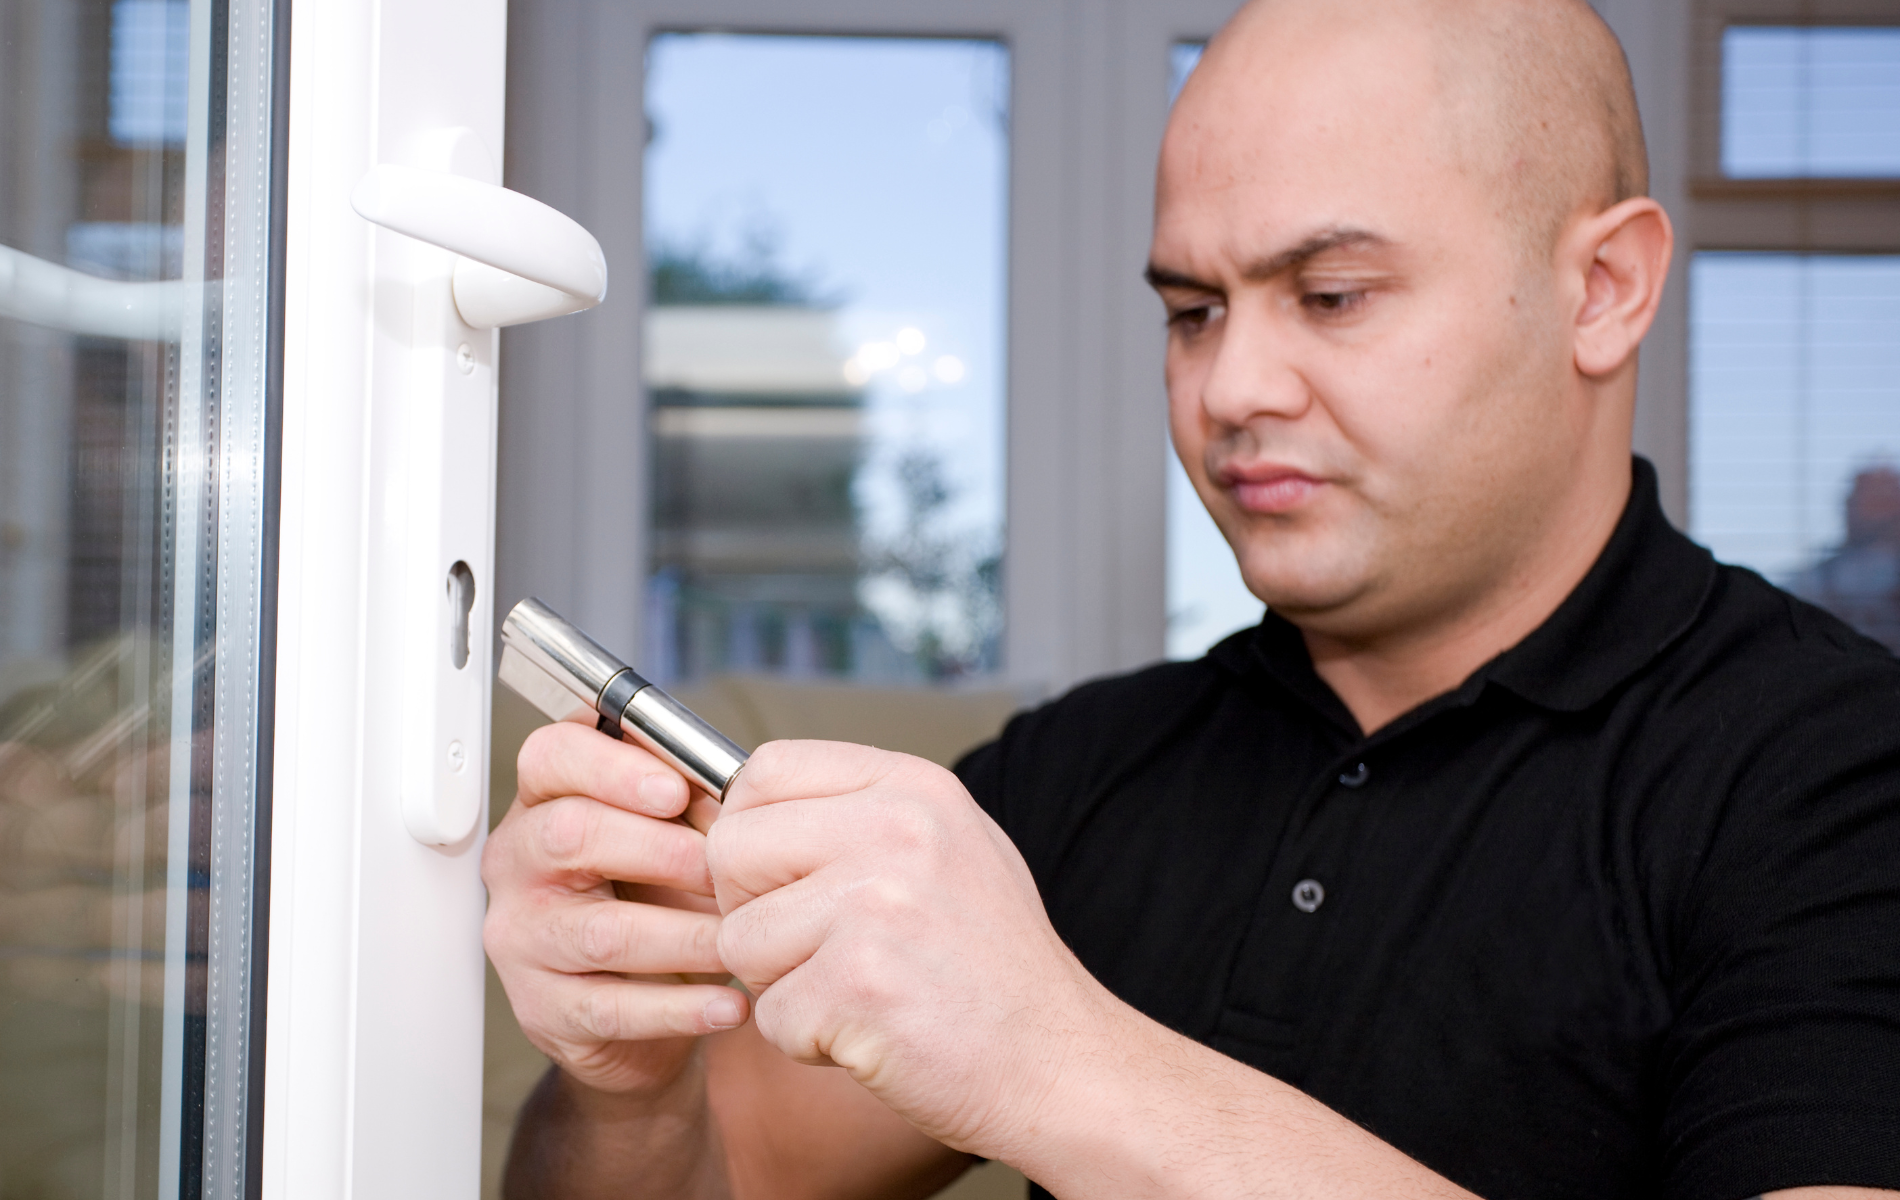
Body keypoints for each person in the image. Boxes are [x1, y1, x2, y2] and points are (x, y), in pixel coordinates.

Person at [480, 0, 1900, 1196]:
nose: (1229, 389)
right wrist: (630, 1083)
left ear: (1604, 287)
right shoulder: (1077, 777)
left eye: (1333, 294)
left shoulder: (1835, 772)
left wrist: (1056, 1057)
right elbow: (722, 1176)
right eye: (1192, 311)